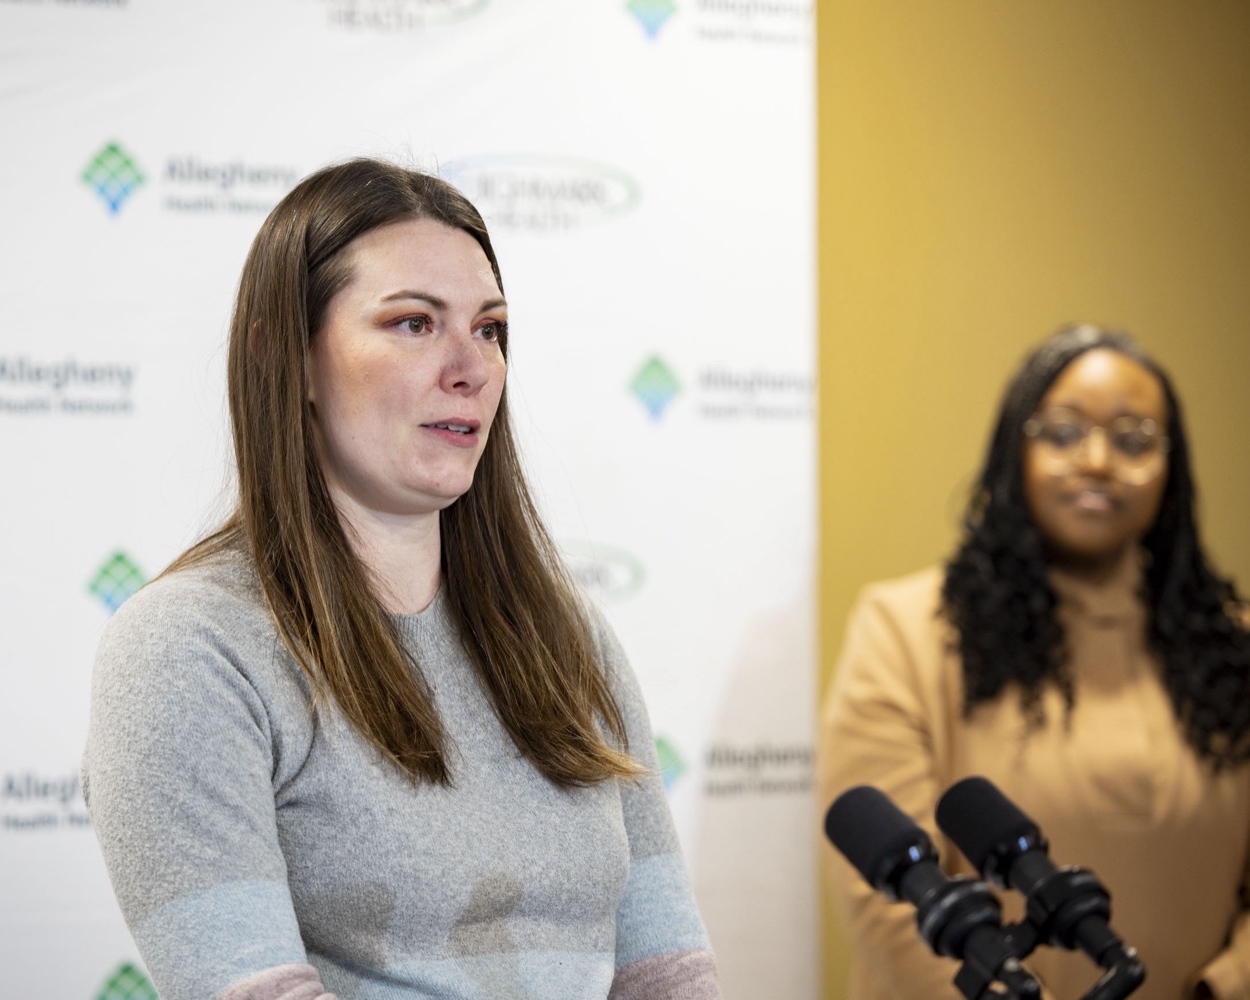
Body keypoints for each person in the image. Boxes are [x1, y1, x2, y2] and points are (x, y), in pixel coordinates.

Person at [81, 158, 720, 1000]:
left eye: (489, 329)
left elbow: (668, 975)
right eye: (414, 323)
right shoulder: (188, 647)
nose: (472, 366)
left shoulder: (567, 634)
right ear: (287, 357)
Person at [818, 325, 1250, 1000]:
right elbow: (890, 905)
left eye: (1133, 440)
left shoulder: (1235, 643)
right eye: (1063, 432)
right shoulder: (905, 631)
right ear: (1012, 450)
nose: (1098, 460)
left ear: (1173, 469)